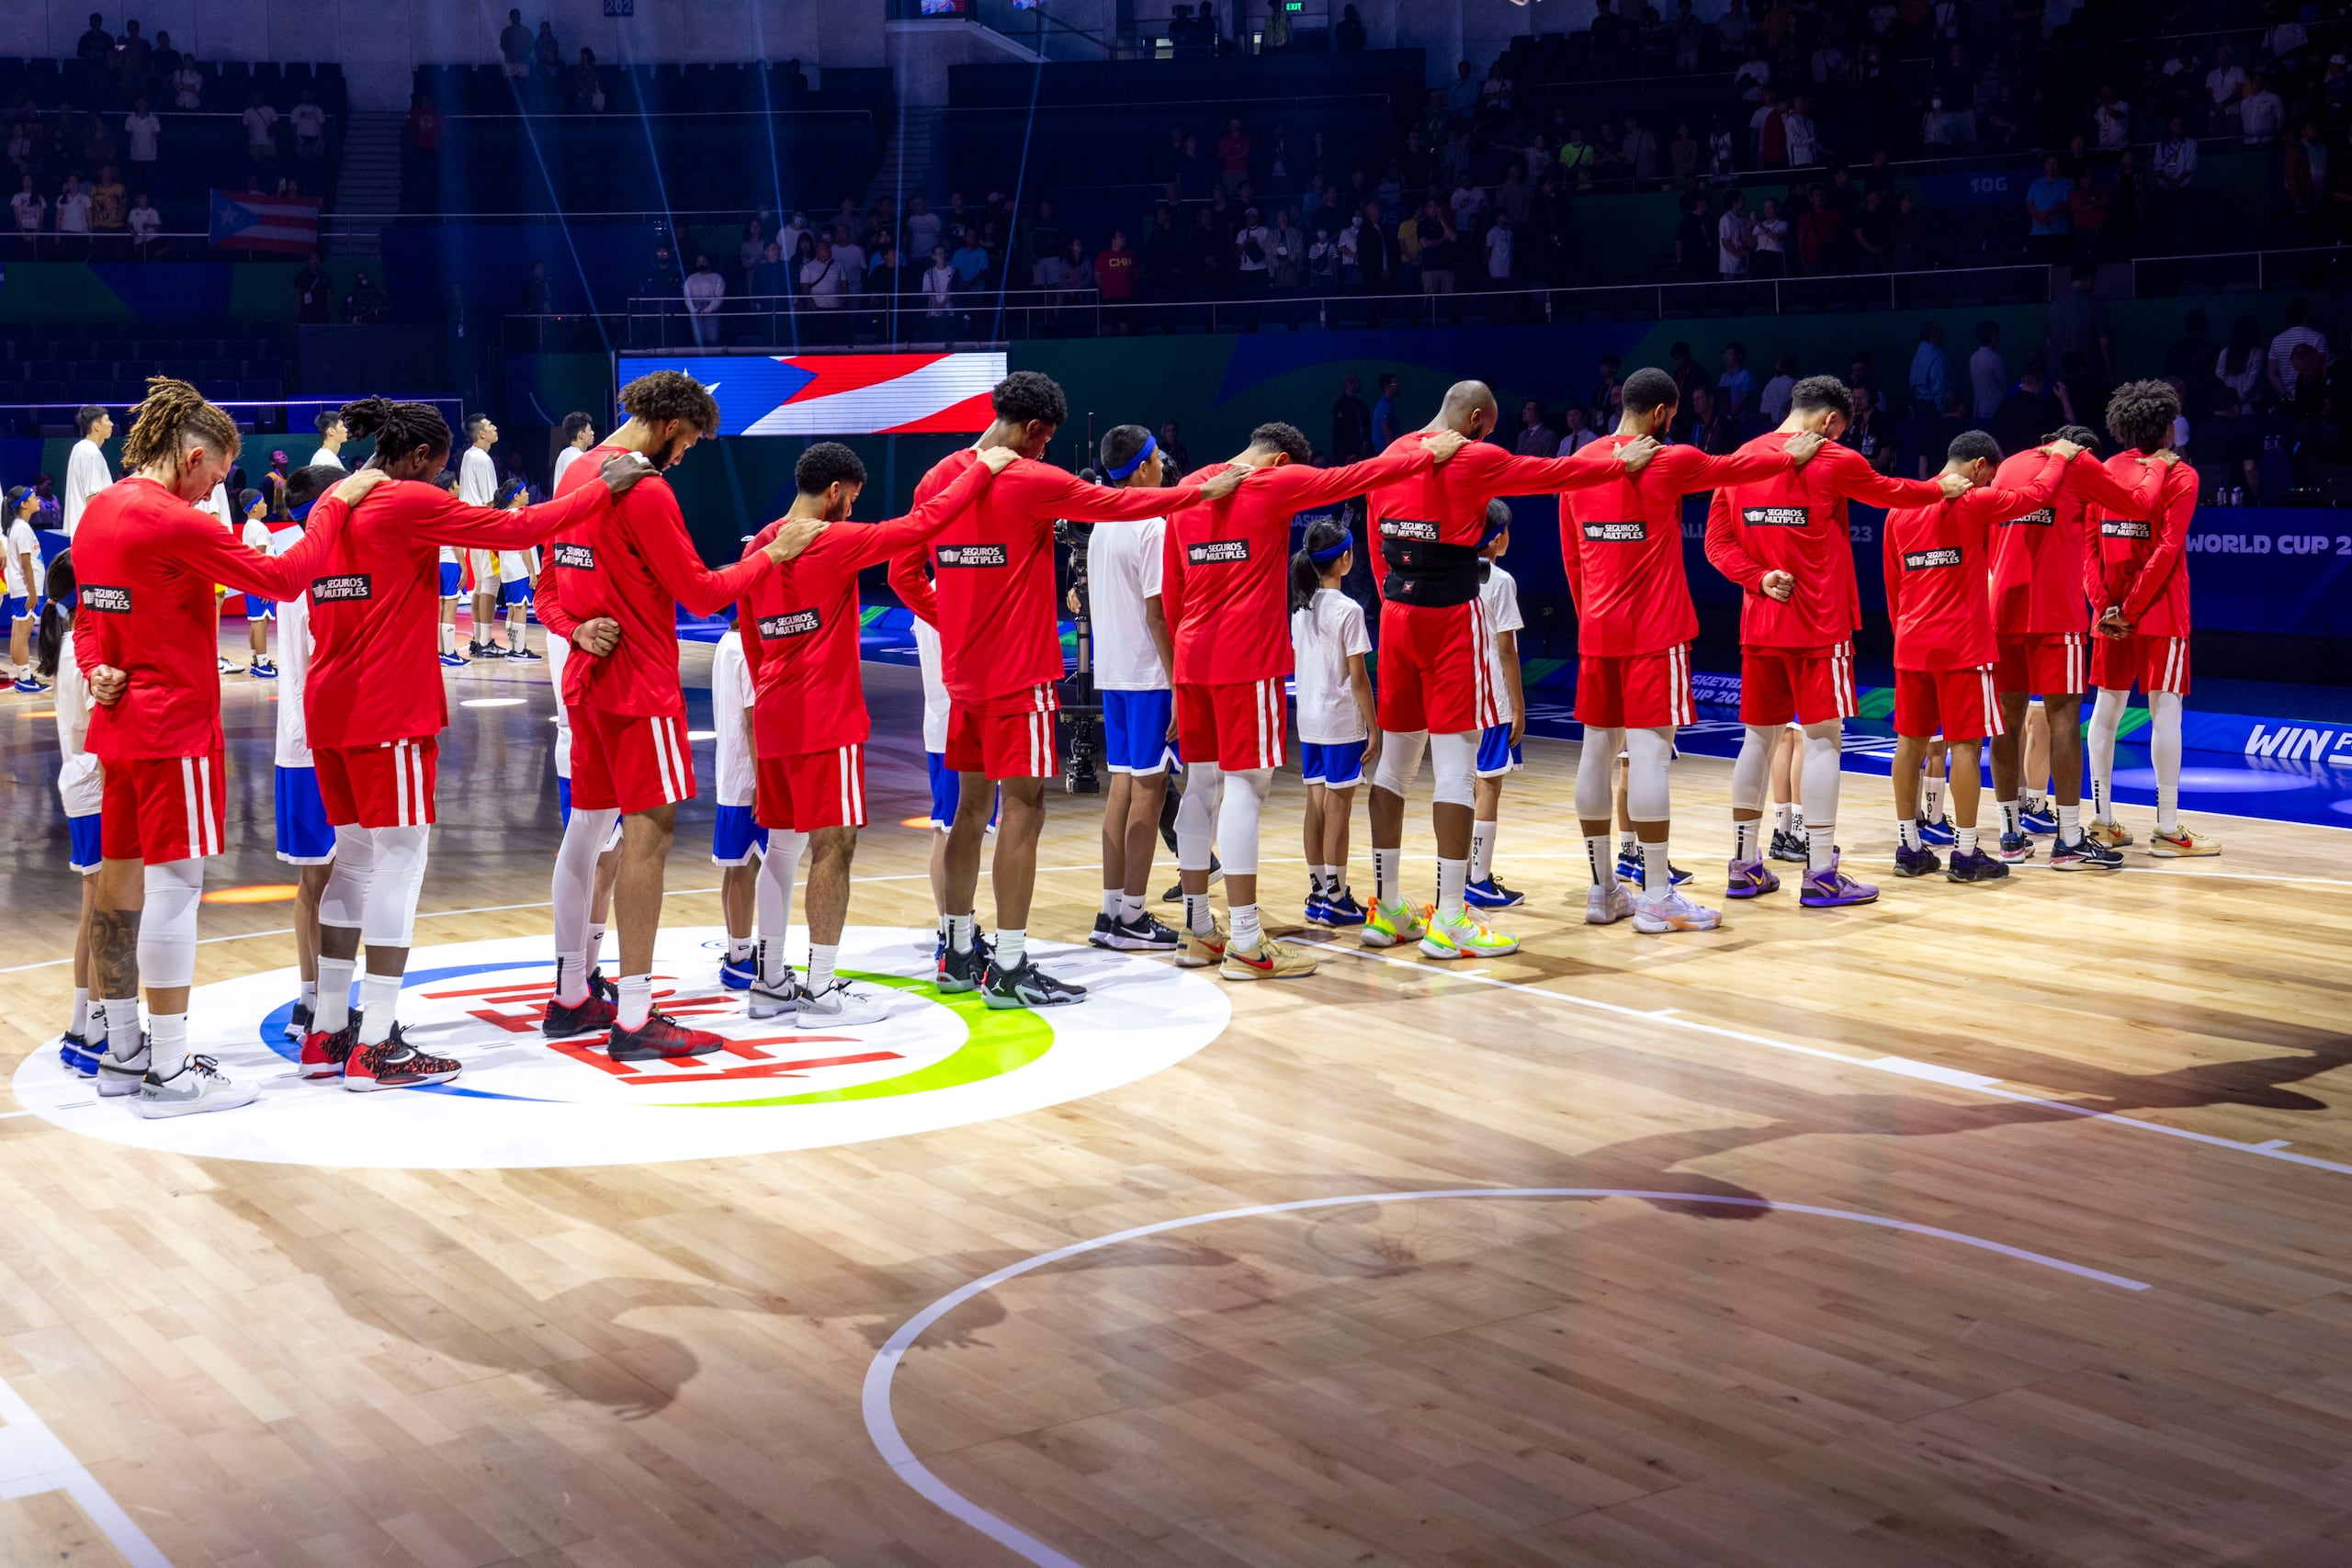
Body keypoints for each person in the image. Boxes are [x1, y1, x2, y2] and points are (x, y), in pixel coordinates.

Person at [292, 401, 656, 1087]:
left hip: (329, 703)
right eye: (442, 467)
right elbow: (515, 526)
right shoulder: (403, 502)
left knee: (354, 861)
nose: (444, 480)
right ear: (423, 459)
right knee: (399, 860)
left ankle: (327, 1032)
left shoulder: (333, 502)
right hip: (386, 707)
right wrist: (598, 488)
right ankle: (376, 1046)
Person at [72, 378, 379, 1118]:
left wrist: (96, 669)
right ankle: (172, 1073)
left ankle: (123, 1053)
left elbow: (86, 622)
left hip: (115, 730)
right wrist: (332, 504)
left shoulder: (95, 515)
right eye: (216, 473)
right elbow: (283, 577)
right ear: (194, 453)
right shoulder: (175, 520)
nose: (218, 488)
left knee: (119, 889)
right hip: (173, 728)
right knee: (175, 888)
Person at [888, 374, 1241, 1009]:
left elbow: (901, 571)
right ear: (1031, 430)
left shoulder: (939, 476)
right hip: (1019, 677)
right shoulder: (1030, 478)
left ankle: (959, 951)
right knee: (1023, 809)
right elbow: (1122, 504)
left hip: (963, 674)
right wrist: (1200, 491)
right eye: (1045, 441)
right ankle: (1013, 965)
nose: (1047, 451)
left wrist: (953, 619)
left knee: (969, 811)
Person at [535, 372, 826, 1062]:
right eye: (690, 441)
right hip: (638, 688)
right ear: (669, 425)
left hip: (585, 679)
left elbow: (549, 587)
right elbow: (699, 593)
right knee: (646, 842)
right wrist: (769, 557)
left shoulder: (576, 470)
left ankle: (571, 995)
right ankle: (634, 1015)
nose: (687, 453)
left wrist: (574, 632)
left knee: (584, 833)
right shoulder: (646, 490)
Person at [1362, 380, 1657, 960]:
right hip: (1449, 620)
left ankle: (1387, 908)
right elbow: (1556, 475)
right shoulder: (1475, 456)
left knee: (1394, 768)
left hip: (1396, 619)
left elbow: (1376, 541)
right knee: (1455, 772)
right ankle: (1451, 919)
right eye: (1488, 427)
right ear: (1474, 418)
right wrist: (1622, 462)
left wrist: (1395, 600)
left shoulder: (1393, 452)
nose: (1488, 437)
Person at [1161, 420, 1464, 980]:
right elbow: (1358, 476)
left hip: (1192, 658)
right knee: (1245, 788)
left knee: (1201, 788)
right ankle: (1248, 942)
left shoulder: (1193, 489)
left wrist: (1179, 678)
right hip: (1243, 660)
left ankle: (1199, 930)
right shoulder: (1271, 483)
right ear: (1280, 462)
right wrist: (1428, 455)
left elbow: (1173, 593)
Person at [737, 441, 1013, 1025]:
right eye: (852, 500)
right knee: (833, 847)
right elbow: (924, 523)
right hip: (825, 719)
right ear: (835, 492)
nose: (852, 510)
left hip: (775, 713)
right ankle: (819, 989)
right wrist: (981, 467)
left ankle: (769, 984)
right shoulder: (833, 539)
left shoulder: (760, 545)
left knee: (782, 846)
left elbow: (752, 640)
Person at [1564, 367, 1820, 924]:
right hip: (1655, 634)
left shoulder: (1581, 464)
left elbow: (1570, 555)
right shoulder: (1668, 458)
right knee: (1650, 755)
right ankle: (1655, 897)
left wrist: (1591, 623)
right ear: (1663, 414)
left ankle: (1602, 891)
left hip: (1597, 633)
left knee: (1595, 753)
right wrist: (1792, 454)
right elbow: (1734, 466)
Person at [1705, 377, 1968, 908]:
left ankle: (1744, 866)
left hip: (1760, 626)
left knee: (1758, 741)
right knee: (1824, 739)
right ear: (1829, 422)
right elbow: (1893, 491)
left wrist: (1756, 577)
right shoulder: (1831, 458)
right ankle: (1822, 871)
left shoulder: (1741, 461)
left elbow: (1717, 545)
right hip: (1818, 627)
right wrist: (1943, 488)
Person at [1882, 431, 2081, 883]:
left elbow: (1893, 585)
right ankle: (1967, 853)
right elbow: (2034, 496)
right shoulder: (1974, 503)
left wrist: (1906, 633)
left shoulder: (1900, 509)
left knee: (1909, 744)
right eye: (1989, 476)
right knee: (1965, 746)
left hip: (1911, 644)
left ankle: (1909, 848)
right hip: (1962, 646)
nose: (1989, 484)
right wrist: (2060, 457)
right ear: (1978, 467)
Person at [1986, 423, 2168, 869]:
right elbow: (2140, 505)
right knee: (2063, 720)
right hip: (2053, 613)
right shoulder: (2080, 464)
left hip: (2002, 609)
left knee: (2006, 721)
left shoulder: (2009, 464)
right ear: (2084, 451)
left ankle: (2010, 835)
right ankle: (2068, 839)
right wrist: (2159, 467)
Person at [2086, 380, 2215, 859]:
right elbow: (2166, 550)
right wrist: (2132, 609)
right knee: (2165, 710)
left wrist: (2105, 607)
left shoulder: (2103, 471)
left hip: (2112, 612)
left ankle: (2102, 821)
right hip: (2158, 611)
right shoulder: (2181, 475)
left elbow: (2090, 546)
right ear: (2165, 426)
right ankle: (2166, 828)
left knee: (2107, 707)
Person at [1082, 426, 1183, 955]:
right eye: (1157, 458)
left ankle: (1111, 909)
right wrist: (1177, 682)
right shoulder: (1151, 525)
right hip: (1147, 675)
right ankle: (1135, 916)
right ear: (1143, 466)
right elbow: (1156, 613)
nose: (1163, 465)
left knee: (1122, 788)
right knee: (1149, 789)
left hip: (1114, 671)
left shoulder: (1101, 525)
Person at [266, 466, 345, 1043]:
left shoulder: (283, 549)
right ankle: (328, 1010)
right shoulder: (320, 557)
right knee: (338, 879)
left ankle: (311, 1000)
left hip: (292, 739)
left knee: (312, 882)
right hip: (325, 736)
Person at [38, 551, 107, 1071]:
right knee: (105, 911)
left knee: (94, 909)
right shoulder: (83, 656)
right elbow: (103, 723)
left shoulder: (64, 644)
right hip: (97, 788)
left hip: (80, 786)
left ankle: (84, 1022)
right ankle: (99, 1025)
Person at [1291, 516, 1375, 929]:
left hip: (1308, 716)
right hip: (1340, 718)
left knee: (1316, 803)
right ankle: (1337, 897)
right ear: (1345, 559)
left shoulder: (1300, 608)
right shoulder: (1349, 610)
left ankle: (1319, 890)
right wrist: (1374, 726)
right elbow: (1357, 676)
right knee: (1339, 808)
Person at [1465, 507, 1525, 910]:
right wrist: (1519, 706)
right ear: (1500, 536)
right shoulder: (1499, 580)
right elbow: (1506, 649)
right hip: (1491, 697)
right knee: (1488, 785)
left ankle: (1464, 875)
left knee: (1464, 783)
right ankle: (1478, 878)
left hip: (1457, 692)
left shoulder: (1452, 573)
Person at [458, 414, 505, 658]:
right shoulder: (483, 458)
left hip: (470, 526)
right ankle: (485, 641)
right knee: (490, 582)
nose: (495, 426)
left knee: (481, 585)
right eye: (490, 425)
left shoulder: (468, 456)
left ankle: (478, 639)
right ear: (481, 434)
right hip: (484, 525)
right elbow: (490, 500)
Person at [5, 486, 44, 692]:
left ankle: (23, 677)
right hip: (26, 591)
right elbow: (26, 563)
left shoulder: (20, 527)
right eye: (34, 496)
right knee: (21, 636)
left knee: (17, 635)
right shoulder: (20, 528)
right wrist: (32, 592)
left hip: (24, 590)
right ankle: (24, 680)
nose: (37, 499)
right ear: (23, 503)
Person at [235, 488, 277, 677]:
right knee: (261, 622)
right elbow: (259, 558)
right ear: (253, 508)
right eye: (262, 502)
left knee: (255, 622)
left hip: (251, 581)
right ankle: (262, 664)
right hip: (261, 581)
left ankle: (256, 660)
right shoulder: (259, 528)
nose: (266, 505)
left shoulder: (248, 526)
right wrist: (265, 585)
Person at [64, 405, 113, 536]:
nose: (111, 424)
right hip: (91, 533)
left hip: (81, 531)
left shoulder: (79, 448)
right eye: (107, 421)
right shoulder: (92, 453)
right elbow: (93, 497)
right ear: (96, 426)